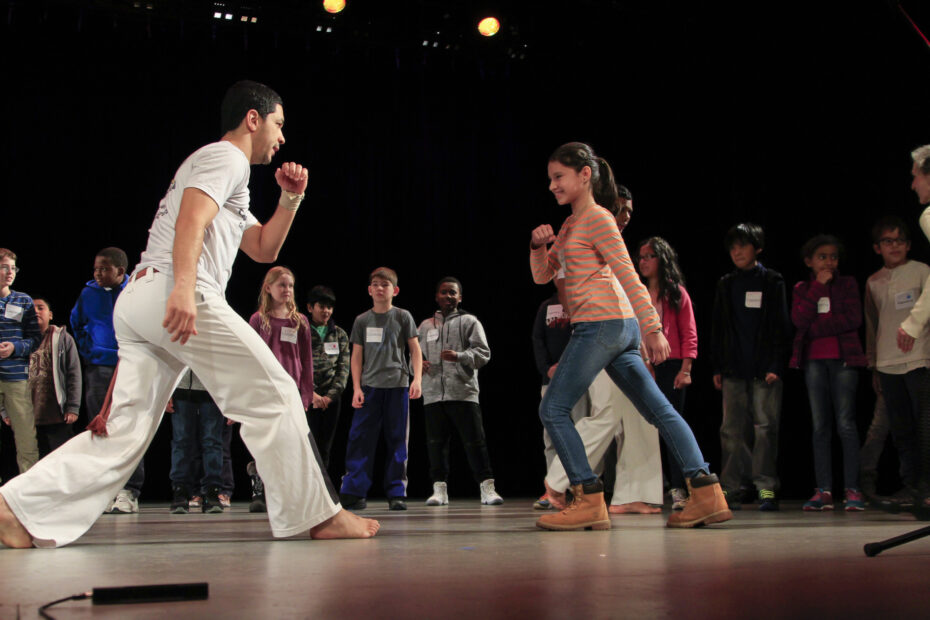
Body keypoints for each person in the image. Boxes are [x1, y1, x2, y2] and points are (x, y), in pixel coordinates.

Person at [0, 80, 379, 548]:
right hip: (175, 289)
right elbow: (192, 220)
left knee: (124, 434)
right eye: (279, 125)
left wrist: (290, 199)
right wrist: (182, 289)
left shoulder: (226, 175)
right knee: (275, 391)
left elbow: (263, 248)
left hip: (143, 298)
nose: (282, 138)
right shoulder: (227, 158)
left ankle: (18, 509)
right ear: (253, 119)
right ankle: (316, 515)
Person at [530, 141, 730, 531]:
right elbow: (543, 276)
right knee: (659, 411)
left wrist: (653, 328)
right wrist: (538, 246)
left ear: (584, 175)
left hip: (602, 326)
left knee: (552, 409)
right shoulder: (572, 224)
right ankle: (707, 493)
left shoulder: (599, 219)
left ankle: (587, 497)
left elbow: (628, 274)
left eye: (559, 177)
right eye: (550, 179)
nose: (552, 185)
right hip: (613, 327)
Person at [543, 190, 665, 516]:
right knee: (606, 412)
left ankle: (632, 495)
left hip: (622, 335)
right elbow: (562, 285)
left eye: (630, 210)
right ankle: (560, 480)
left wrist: (643, 333)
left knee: (640, 419)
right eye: (620, 209)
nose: (625, 215)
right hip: (596, 335)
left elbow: (628, 292)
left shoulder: (615, 242)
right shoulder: (582, 230)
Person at [711, 223, 791, 511]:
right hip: (734, 368)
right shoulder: (726, 283)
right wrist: (718, 366)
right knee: (731, 429)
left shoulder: (773, 281)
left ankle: (766, 487)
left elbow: (781, 327)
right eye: (732, 247)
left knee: (765, 428)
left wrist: (776, 364)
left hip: (764, 369)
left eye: (742, 246)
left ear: (756, 247)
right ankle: (733, 486)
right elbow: (719, 328)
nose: (737, 252)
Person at [790, 235, 866, 511]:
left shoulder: (847, 284)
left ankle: (853, 489)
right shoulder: (803, 288)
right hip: (813, 362)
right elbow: (799, 320)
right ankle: (823, 489)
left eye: (833, 256)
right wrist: (818, 288)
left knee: (845, 424)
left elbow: (853, 319)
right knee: (820, 427)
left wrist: (817, 328)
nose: (829, 261)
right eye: (822, 257)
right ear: (809, 261)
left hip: (844, 360)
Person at [340, 267, 422, 511]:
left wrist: (416, 379)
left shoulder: (403, 316)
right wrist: (356, 387)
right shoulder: (362, 320)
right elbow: (356, 355)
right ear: (369, 290)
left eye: (384, 285)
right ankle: (354, 492)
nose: (379, 288)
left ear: (394, 290)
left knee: (397, 440)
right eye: (375, 284)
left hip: (397, 387)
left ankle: (397, 492)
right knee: (360, 439)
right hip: (370, 387)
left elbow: (415, 350)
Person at [70, 247, 143, 513]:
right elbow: (76, 323)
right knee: (100, 429)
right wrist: (90, 350)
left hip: (130, 367)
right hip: (99, 367)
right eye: (96, 269)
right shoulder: (88, 293)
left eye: (104, 269)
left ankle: (129, 490)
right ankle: (104, 490)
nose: (98, 274)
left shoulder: (134, 290)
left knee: (130, 426)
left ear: (120, 271)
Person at [418, 277, 502, 506]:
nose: (448, 296)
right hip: (433, 393)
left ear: (460, 297)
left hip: (463, 391)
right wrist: (419, 365)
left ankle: (487, 488)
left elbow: (484, 353)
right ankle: (439, 490)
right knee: (436, 444)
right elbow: (414, 356)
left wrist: (460, 357)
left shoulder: (469, 321)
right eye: (444, 292)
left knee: (475, 442)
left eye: (452, 293)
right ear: (437, 296)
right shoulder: (425, 326)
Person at [863, 216, 926, 503]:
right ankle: (910, 485)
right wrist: (873, 365)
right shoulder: (873, 281)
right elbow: (872, 325)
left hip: (919, 359)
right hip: (887, 363)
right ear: (878, 248)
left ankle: (926, 486)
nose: (895, 246)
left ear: (909, 244)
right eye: (888, 241)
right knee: (901, 429)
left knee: (923, 425)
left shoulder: (922, 271)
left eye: (900, 240)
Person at [635, 237, 698, 511]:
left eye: (650, 256)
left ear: (662, 259)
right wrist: (643, 360)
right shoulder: (635, 292)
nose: (643, 261)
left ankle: (679, 487)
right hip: (642, 365)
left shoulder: (676, 293)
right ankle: (648, 488)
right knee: (645, 432)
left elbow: (689, 333)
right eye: (641, 256)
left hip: (672, 366)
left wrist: (686, 369)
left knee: (672, 428)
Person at [247, 265, 315, 512]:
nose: (286, 290)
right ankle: (260, 489)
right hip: (265, 389)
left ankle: (286, 492)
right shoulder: (258, 319)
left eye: (290, 285)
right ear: (268, 288)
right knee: (266, 441)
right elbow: (250, 358)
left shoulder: (300, 321)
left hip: (291, 389)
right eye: (281, 285)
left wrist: (306, 393)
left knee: (289, 442)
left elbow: (307, 360)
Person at [531, 287, 590, 509]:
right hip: (551, 381)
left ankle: (583, 487)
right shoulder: (546, 306)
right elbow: (537, 339)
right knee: (551, 438)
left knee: (582, 431)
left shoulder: (583, 301)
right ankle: (554, 490)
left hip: (579, 378)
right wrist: (547, 369)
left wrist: (572, 367)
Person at [0, 248, 41, 477]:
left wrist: (15, 348)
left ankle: (29, 490)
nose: (10, 272)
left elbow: (35, 338)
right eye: (5, 267)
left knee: (26, 438)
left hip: (16, 378)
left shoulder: (22, 300)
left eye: (13, 268)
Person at [27, 297, 81, 457]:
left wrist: (73, 407)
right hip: (27, 416)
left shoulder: (63, 339)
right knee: (32, 463)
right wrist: (4, 411)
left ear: (50, 314)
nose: (35, 311)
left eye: (40, 308)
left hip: (57, 415)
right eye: (31, 309)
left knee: (61, 460)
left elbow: (74, 373)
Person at [167, 369, 226, 514]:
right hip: (181, 386)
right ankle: (180, 491)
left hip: (214, 387)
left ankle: (212, 491)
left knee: (212, 441)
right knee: (181, 442)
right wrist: (167, 391)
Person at [306, 285, 350, 474]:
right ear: (310, 307)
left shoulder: (339, 334)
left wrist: (330, 396)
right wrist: (311, 394)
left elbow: (343, 368)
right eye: (321, 306)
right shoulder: (301, 330)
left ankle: (323, 488)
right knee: (308, 443)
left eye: (329, 307)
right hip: (307, 396)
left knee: (325, 445)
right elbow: (297, 364)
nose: (326, 311)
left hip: (331, 398)